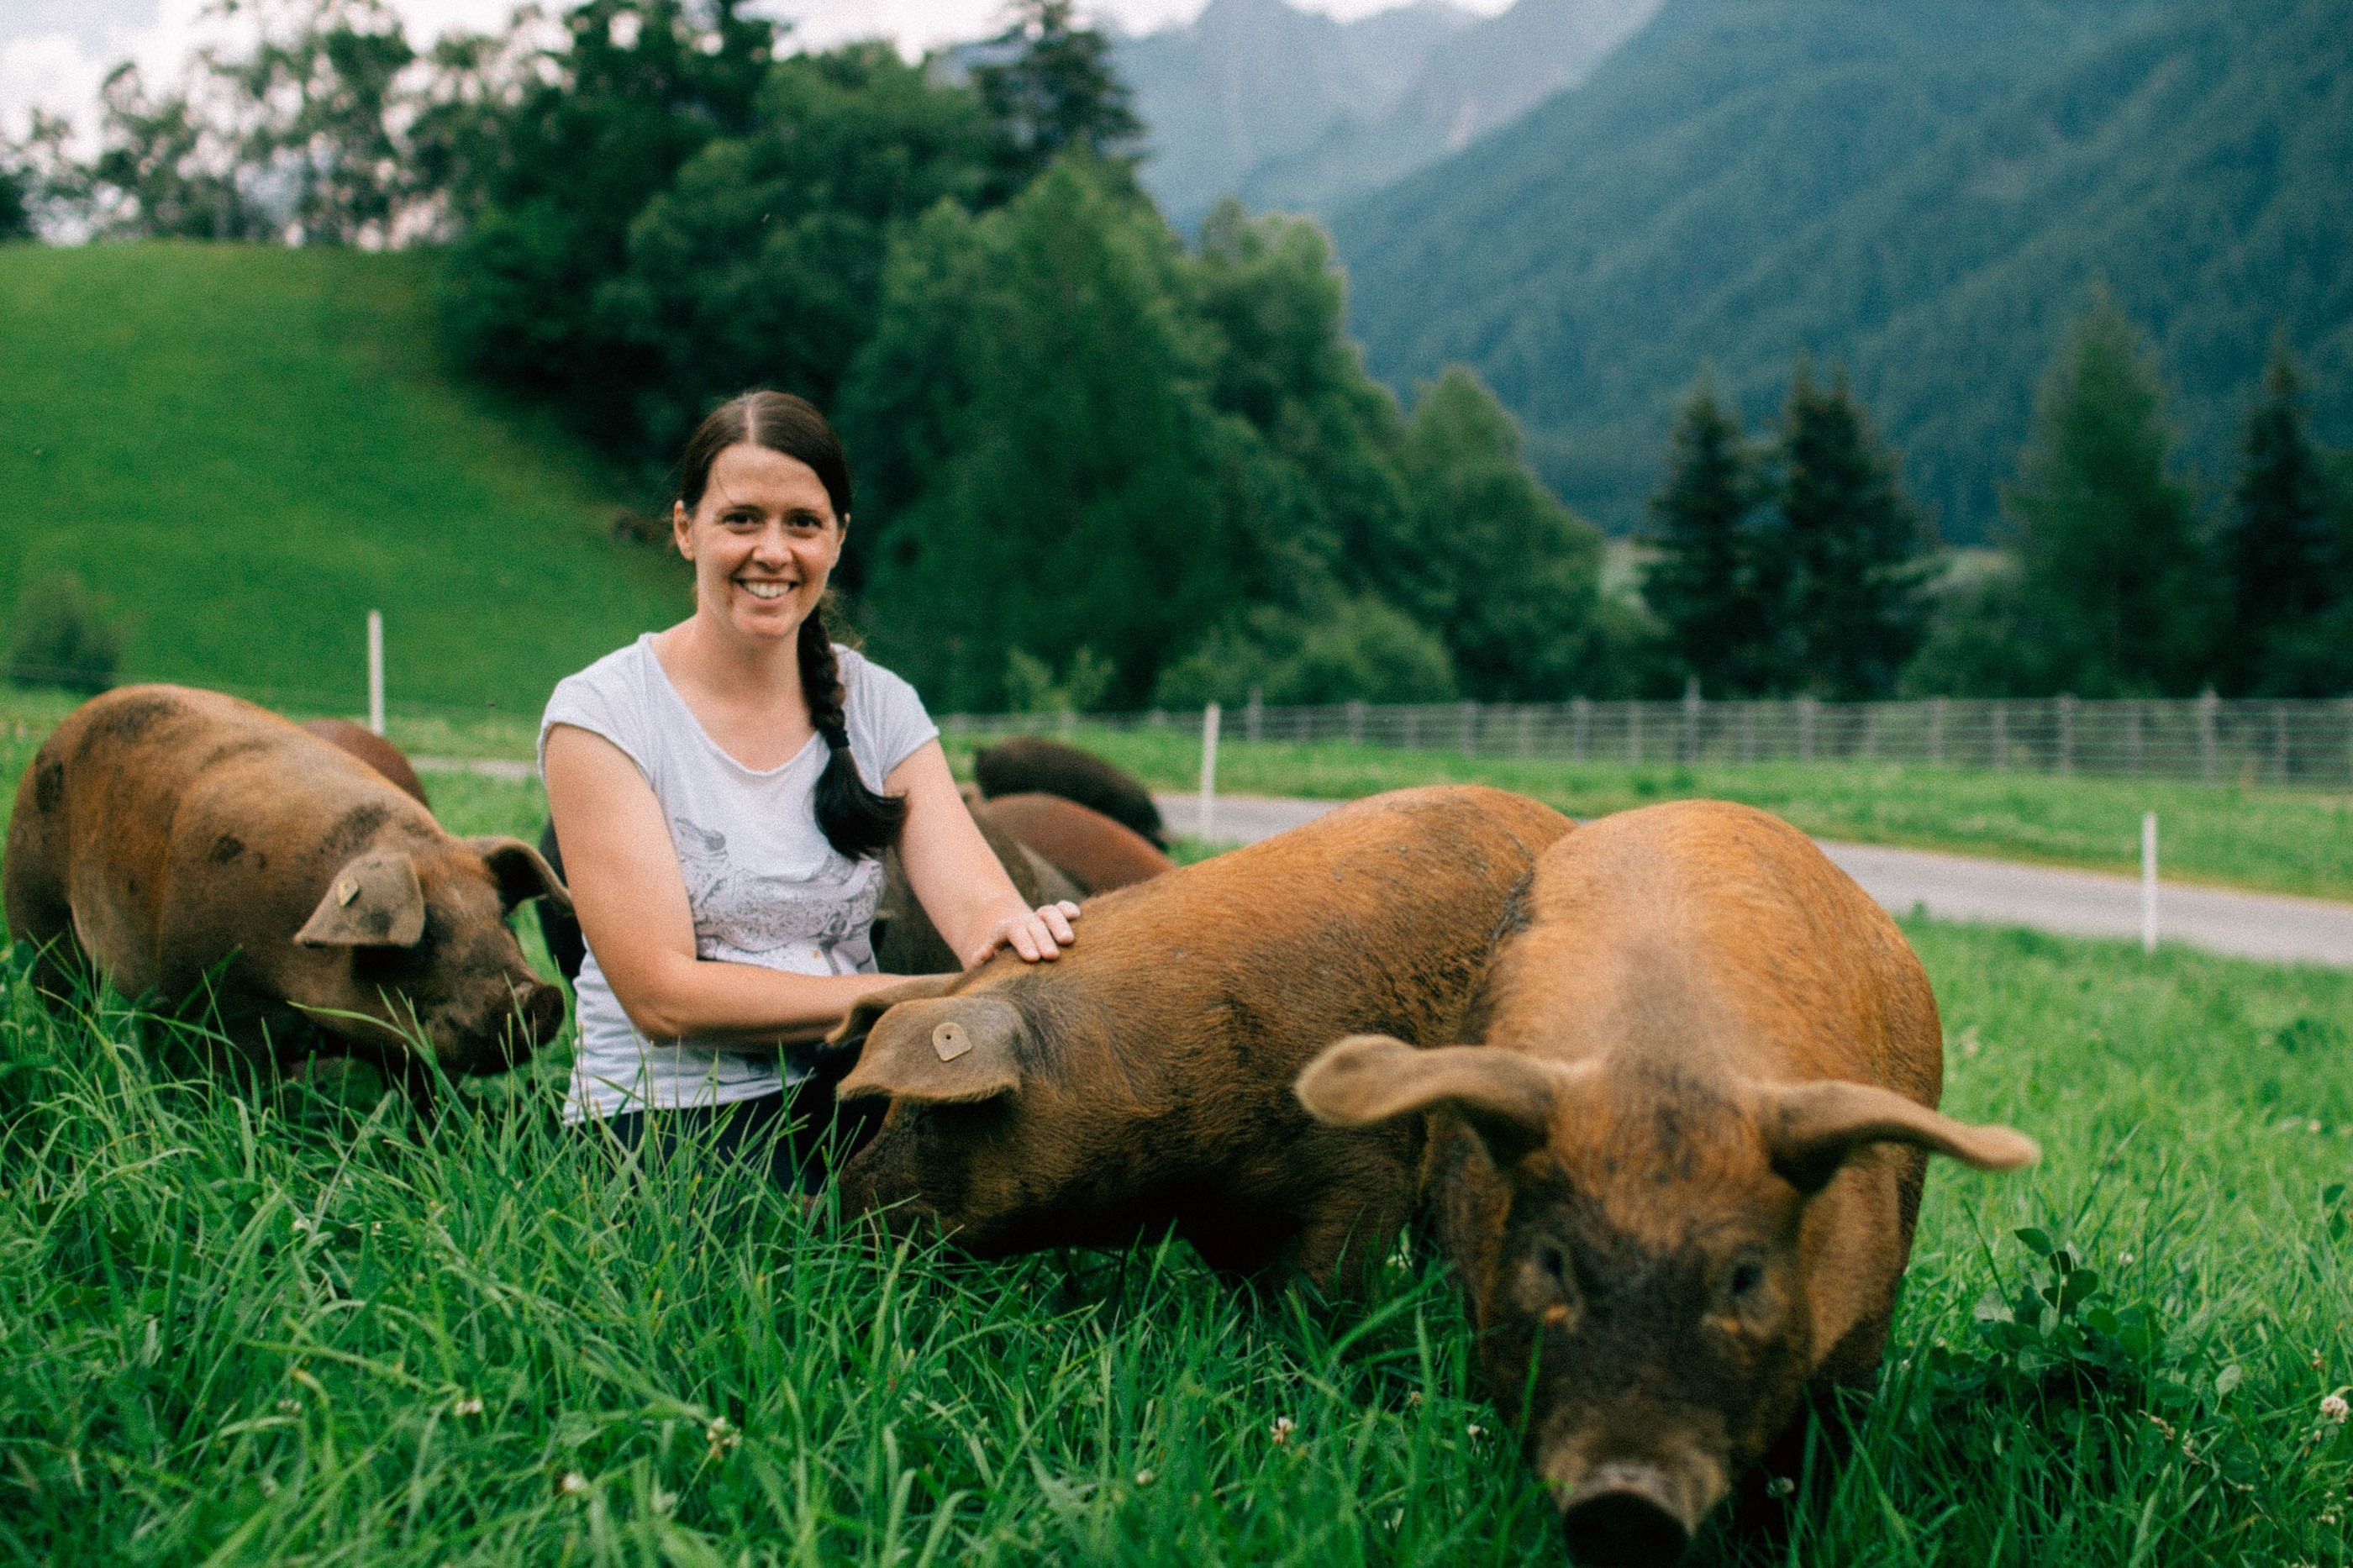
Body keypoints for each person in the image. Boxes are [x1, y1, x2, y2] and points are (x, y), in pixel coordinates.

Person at [540, 390, 1080, 1187]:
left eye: (802, 523)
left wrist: (1024, 940)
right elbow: (663, 1000)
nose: (773, 551)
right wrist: (900, 995)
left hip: (853, 1088)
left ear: (837, 539)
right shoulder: (605, 714)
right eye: (742, 519)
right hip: (665, 1116)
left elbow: (980, 910)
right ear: (686, 530)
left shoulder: (880, 705)